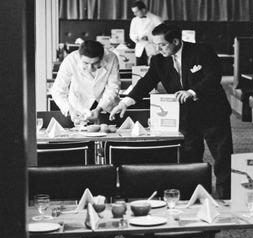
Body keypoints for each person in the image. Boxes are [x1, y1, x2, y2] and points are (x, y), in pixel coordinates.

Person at [110, 23, 234, 199]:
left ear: (175, 41)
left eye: (162, 44)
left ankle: (226, 196)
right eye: (156, 44)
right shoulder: (158, 60)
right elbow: (146, 82)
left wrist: (192, 92)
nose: (157, 48)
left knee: (222, 156)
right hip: (185, 116)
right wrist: (126, 102)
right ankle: (194, 195)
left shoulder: (202, 51)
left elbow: (213, 76)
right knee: (190, 157)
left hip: (212, 112)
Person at [50, 40, 120, 126]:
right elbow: (58, 90)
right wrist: (70, 110)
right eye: (86, 63)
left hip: (105, 103)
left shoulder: (112, 58)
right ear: (80, 57)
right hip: (78, 105)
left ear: (101, 58)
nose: (90, 68)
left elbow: (113, 88)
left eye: (95, 63)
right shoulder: (70, 60)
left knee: (107, 135)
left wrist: (99, 108)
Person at [129, 1, 162, 66]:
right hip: (140, 49)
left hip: (153, 48)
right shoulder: (134, 20)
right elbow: (132, 33)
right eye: (134, 12)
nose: (135, 14)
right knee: (139, 70)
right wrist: (136, 38)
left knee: (153, 69)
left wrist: (149, 38)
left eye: (136, 11)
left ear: (143, 10)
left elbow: (162, 35)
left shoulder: (156, 19)